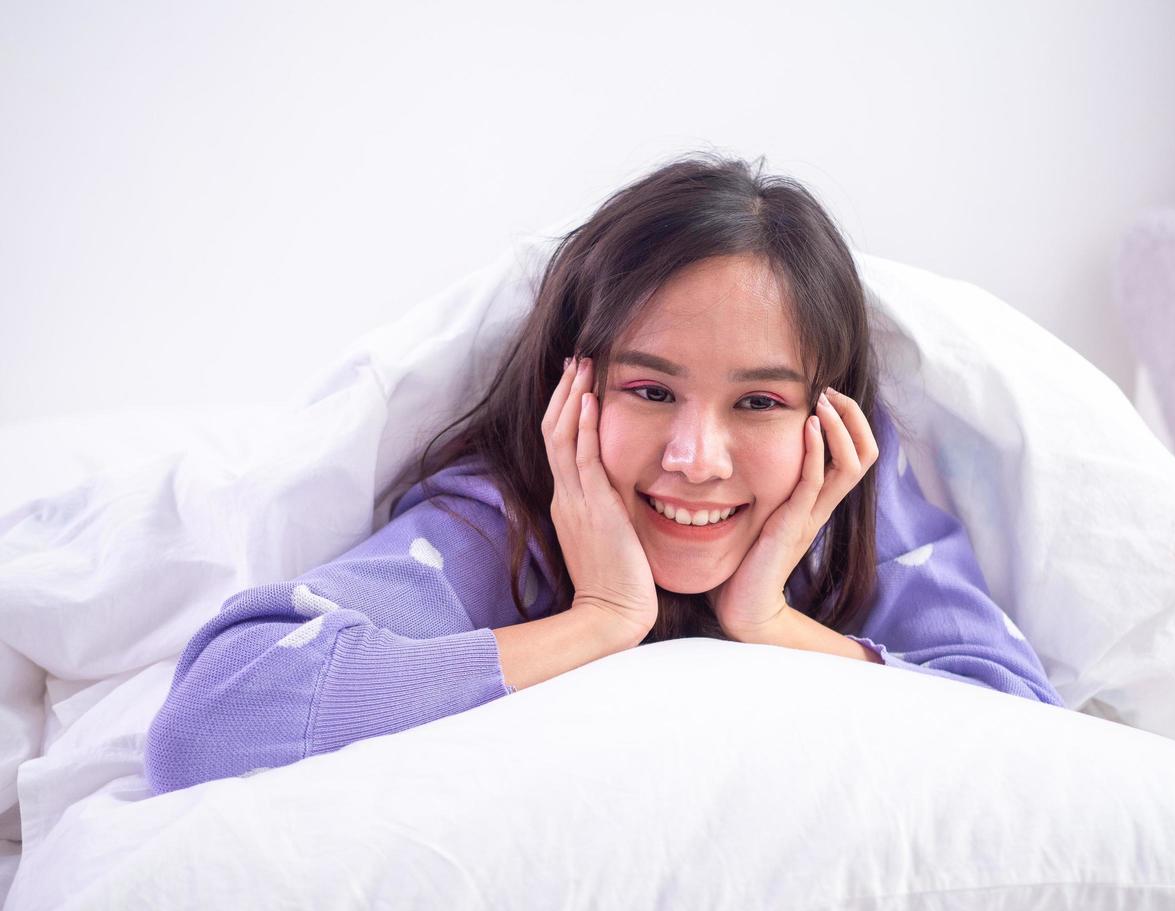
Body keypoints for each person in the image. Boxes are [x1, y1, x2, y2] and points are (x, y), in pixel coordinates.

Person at [144, 153, 1064, 795]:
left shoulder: (840, 497)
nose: (696, 461)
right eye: (650, 390)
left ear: (823, 417)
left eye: (759, 403)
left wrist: (770, 621)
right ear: (573, 392)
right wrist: (599, 622)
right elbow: (214, 721)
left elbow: (1027, 729)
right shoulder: (499, 521)